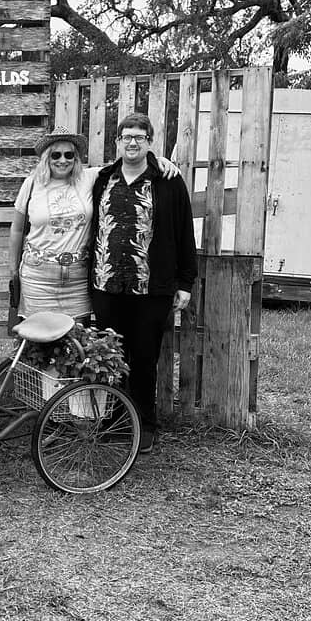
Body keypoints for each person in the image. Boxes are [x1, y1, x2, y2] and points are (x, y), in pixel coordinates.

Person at [89, 112, 197, 454]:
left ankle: (145, 425)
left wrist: (185, 282)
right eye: (126, 137)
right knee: (111, 357)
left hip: (151, 289)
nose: (132, 143)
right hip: (107, 286)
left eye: (139, 137)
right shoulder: (102, 178)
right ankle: (116, 421)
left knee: (145, 359)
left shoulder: (167, 180)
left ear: (150, 143)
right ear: (117, 142)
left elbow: (184, 232)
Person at [8, 128, 180, 321]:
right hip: (38, 275)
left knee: (76, 340)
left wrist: (156, 160)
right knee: (37, 338)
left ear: (76, 158)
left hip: (77, 277)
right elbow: (16, 229)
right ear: (46, 157)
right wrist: (13, 269)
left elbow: (129, 163)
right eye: (56, 155)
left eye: (69, 155)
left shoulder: (90, 178)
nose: (62, 160)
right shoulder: (32, 184)